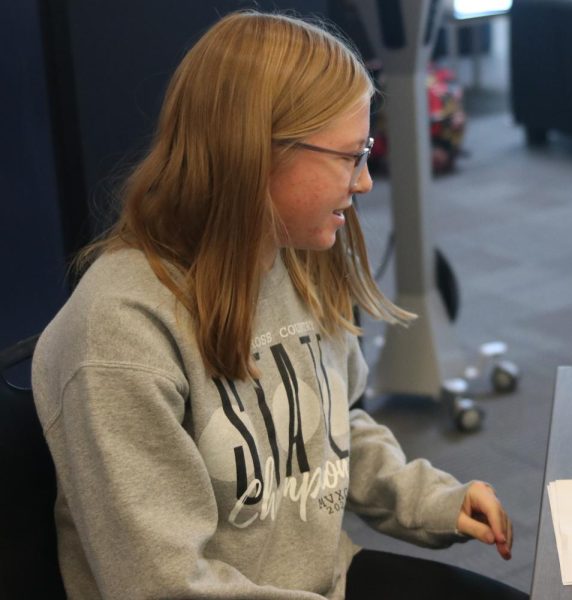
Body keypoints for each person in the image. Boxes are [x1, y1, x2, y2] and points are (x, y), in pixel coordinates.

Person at [31, 10, 526, 600]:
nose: (365, 181)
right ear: (257, 154)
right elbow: (163, 584)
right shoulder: (119, 333)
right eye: (350, 156)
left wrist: (430, 500)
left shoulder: (293, 254)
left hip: (321, 581)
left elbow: (332, 427)